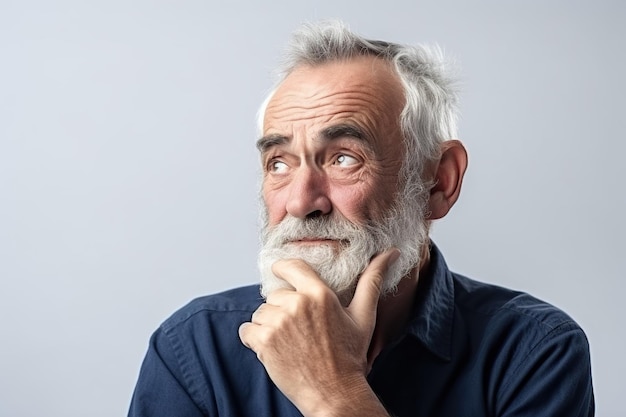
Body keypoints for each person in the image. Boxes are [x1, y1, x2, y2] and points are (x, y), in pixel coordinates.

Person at [128, 21, 594, 416]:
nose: (299, 202)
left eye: (344, 158)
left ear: (438, 183)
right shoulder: (193, 349)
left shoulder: (535, 353)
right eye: (279, 163)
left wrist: (336, 394)